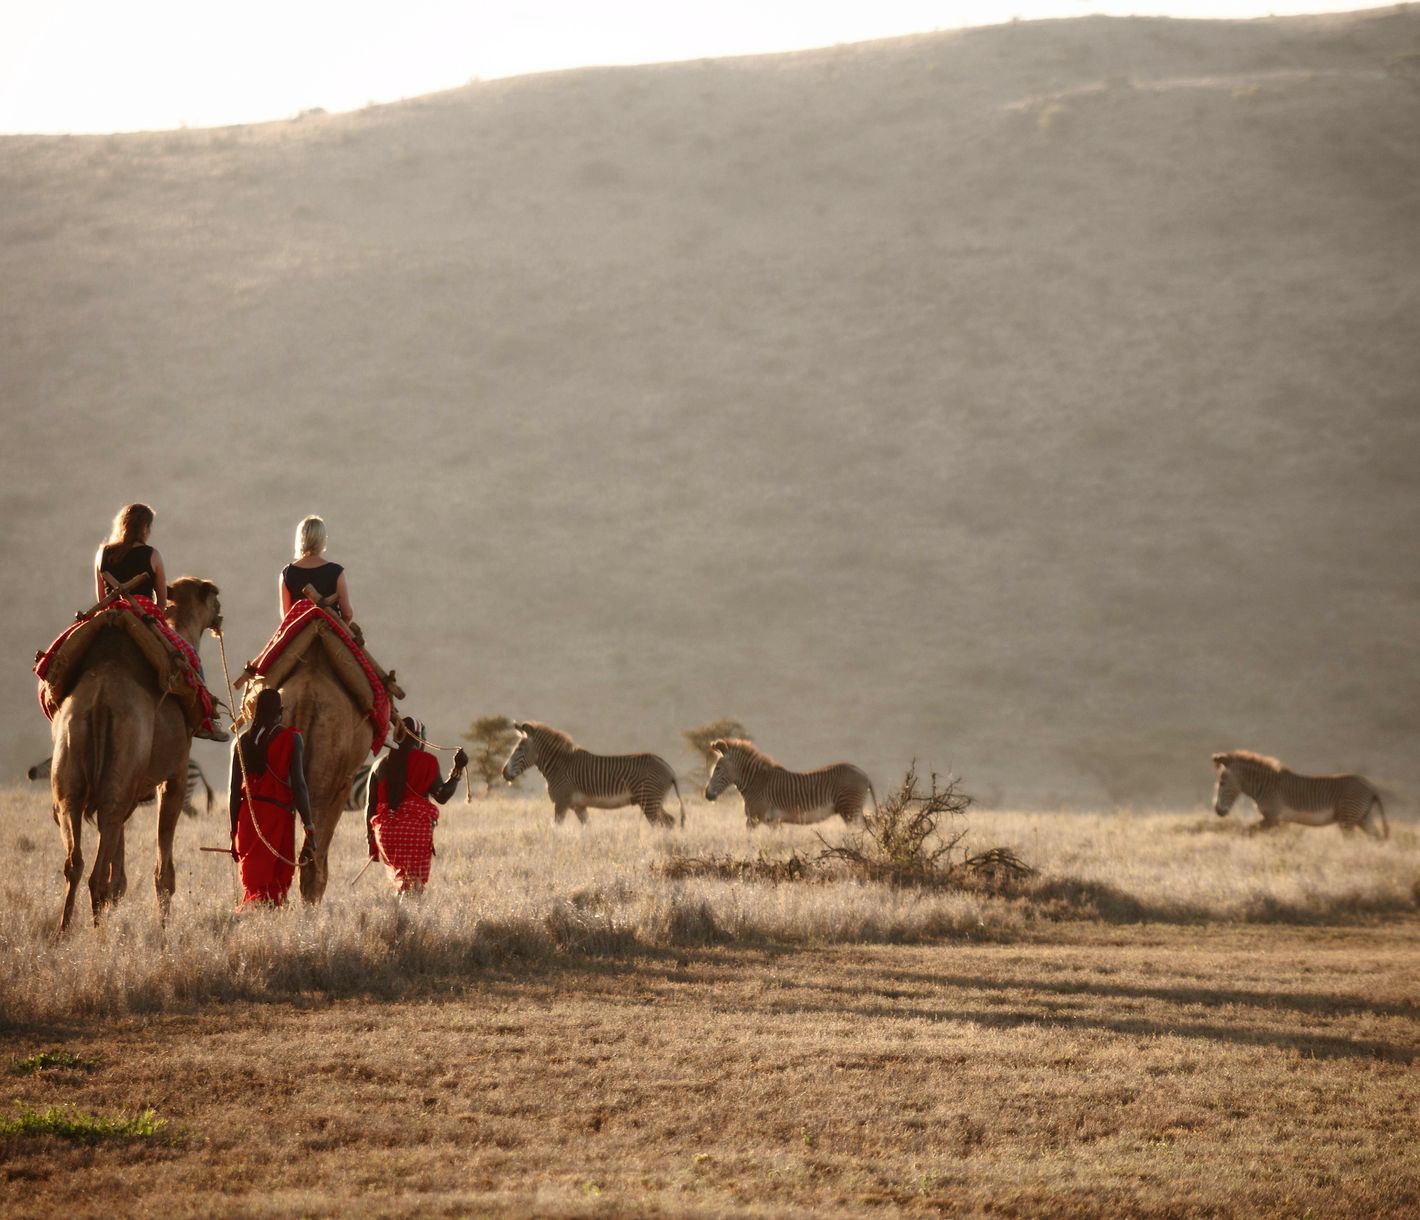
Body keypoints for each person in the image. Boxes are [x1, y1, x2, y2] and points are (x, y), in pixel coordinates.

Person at [229, 688, 316, 907]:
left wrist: (233, 832)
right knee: (275, 884)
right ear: (281, 711)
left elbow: (233, 792)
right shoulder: (292, 738)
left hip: (247, 818)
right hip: (277, 817)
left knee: (254, 885)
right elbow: (299, 786)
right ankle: (269, 927)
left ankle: (254, 926)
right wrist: (309, 825)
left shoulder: (241, 741)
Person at [366, 717, 468, 894]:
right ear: (419, 738)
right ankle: (408, 919)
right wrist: (458, 770)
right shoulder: (427, 761)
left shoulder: (378, 764)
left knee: (402, 884)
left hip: (385, 833)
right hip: (415, 831)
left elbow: (370, 806)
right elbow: (442, 796)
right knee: (414, 887)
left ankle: (400, 916)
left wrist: (371, 840)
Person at [280, 515, 353, 622]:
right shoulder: (336, 572)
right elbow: (347, 613)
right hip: (330, 632)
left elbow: (286, 617)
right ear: (322, 540)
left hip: (299, 635)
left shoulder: (287, 573)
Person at [94, 502, 166, 606]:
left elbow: (101, 599)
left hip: (112, 616)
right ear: (145, 528)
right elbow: (162, 601)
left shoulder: (102, 553)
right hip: (143, 616)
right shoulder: (153, 555)